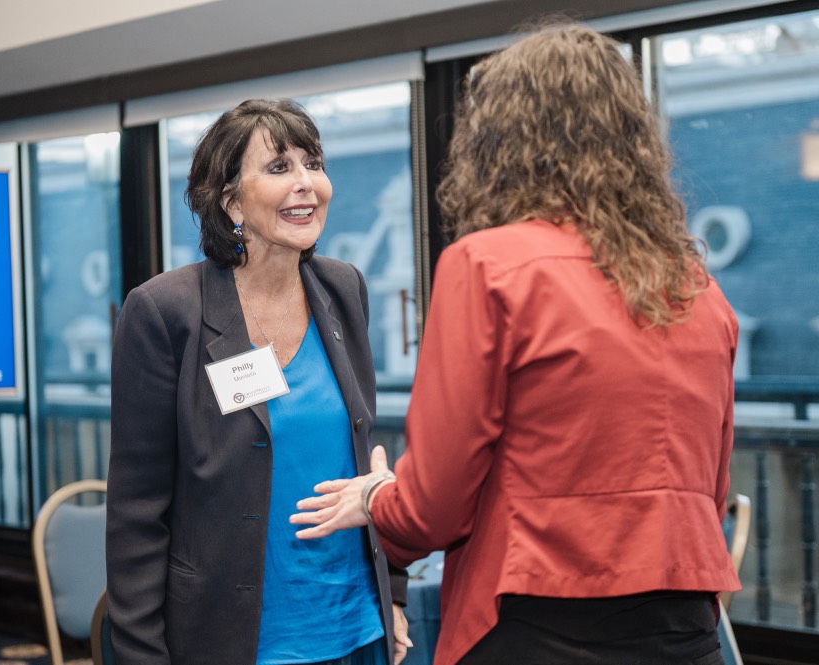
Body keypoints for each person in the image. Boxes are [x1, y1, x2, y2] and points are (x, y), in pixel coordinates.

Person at [291, 23, 741, 665]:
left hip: (535, 622)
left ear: (501, 142)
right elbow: (712, 486)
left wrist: (376, 501)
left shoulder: (488, 266)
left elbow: (434, 504)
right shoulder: (696, 285)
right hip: (684, 628)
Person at [106, 98, 410, 665]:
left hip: (357, 629)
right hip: (233, 639)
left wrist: (392, 595)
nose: (307, 184)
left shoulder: (344, 289)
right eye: (279, 168)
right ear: (230, 202)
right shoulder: (164, 311)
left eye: (312, 164)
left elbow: (365, 459)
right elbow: (137, 512)